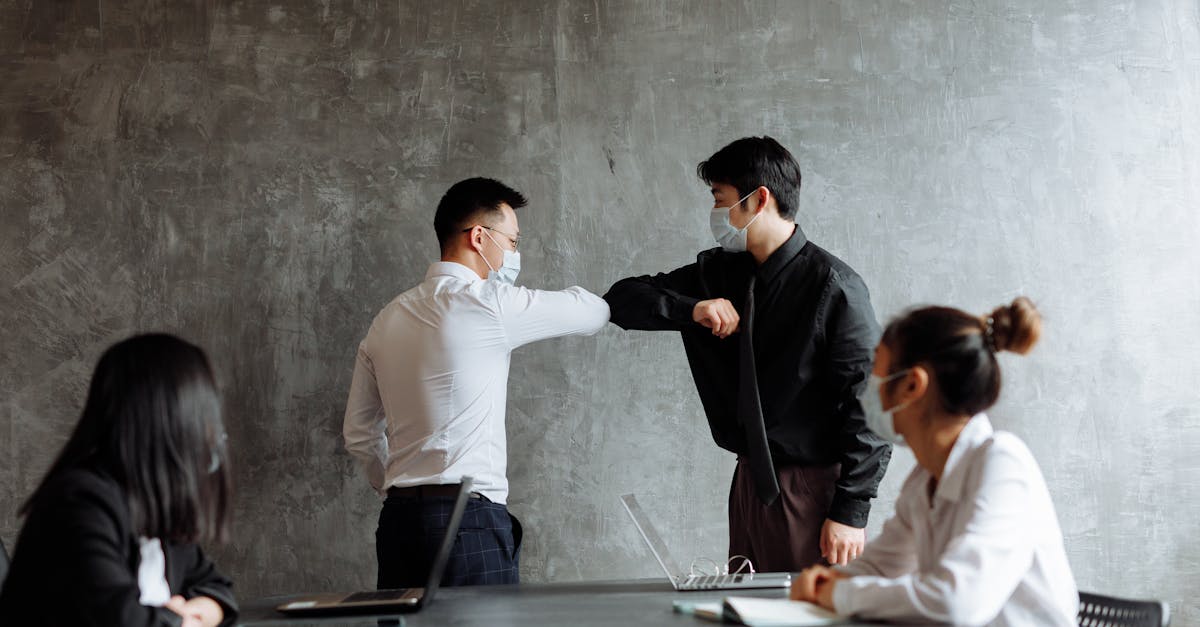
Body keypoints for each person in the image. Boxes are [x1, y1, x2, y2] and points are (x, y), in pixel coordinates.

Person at [604, 136, 890, 571]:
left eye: (720, 198)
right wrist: (692, 308)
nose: (715, 213)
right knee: (747, 611)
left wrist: (851, 511)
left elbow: (873, 405)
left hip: (813, 489)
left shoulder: (834, 286)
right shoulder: (718, 272)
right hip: (749, 483)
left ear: (758, 200)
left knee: (807, 616)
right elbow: (622, 299)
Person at [344, 177, 610, 588]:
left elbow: (360, 436)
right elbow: (593, 312)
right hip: (467, 521)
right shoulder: (490, 304)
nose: (513, 255)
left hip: (398, 523)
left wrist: (400, 486)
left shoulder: (387, 318)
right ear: (479, 237)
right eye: (513, 242)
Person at [791, 297, 1078, 626]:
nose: (868, 390)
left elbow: (957, 602)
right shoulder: (925, 477)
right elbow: (882, 566)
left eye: (877, 374)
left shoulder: (1003, 462)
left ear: (913, 384)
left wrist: (842, 596)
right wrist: (830, 583)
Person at [0, 334, 238, 627]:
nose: (213, 436)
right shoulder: (79, 503)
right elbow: (120, 619)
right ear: (168, 422)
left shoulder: (153, 503)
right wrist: (179, 620)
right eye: (203, 418)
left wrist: (199, 613)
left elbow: (217, 588)